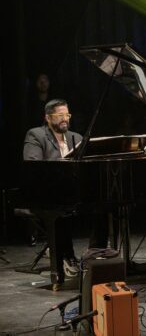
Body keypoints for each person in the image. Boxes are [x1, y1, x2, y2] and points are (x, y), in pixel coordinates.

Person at [23, 99, 82, 280]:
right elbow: (32, 166)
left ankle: (97, 253)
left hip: (73, 193)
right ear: (48, 118)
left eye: (67, 115)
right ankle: (66, 257)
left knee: (106, 207)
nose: (65, 119)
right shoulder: (36, 135)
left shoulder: (77, 138)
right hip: (43, 194)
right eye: (60, 115)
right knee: (60, 210)